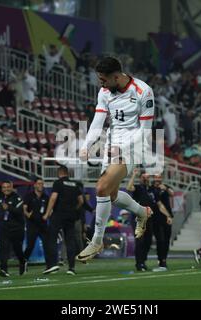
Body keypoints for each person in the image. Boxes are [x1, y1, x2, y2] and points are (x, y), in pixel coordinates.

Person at [77, 56, 154, 262]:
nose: (101, 84)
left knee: (101, 187)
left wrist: (123, 147)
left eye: (104, 80)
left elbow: (145, 131)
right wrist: (86, 146)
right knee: (109, 196)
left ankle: (96, 241)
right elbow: (97, 122)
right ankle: (142, 212)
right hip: (111, 147)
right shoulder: (105, 92)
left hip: (133, 148)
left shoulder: (143, 91)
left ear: (116, 76)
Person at [42, 166, 83, 275]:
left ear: (59, 173)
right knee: (70, 241)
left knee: (52, 238)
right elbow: (81, 201)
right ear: (67, 173)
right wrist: (74, 209)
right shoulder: (75, 184)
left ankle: (52, 264)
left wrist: (47, 213)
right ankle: (72, 268)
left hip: (58, 215)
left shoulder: (58, 183)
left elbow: (53, 198)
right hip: (71, 216)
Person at [0, 181, 26, 277]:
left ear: (12, 187)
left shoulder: (17, 198)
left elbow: (19, 211)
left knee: (17, 249)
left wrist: (8, 207)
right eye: (4, 187)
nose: (6, 189)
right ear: (1, 189)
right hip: (4, 227)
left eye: (8, 187)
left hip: (16, 228)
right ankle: (3, 269)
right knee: (4, 248)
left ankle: (22, 262)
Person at [127, 169, 155, 271]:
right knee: (140, 241)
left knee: (148, 241)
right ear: (140, 178)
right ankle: (139, 263)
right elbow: (129, 187)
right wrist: (134, 175)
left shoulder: (151, 189)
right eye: (144, 177)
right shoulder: (138, 188)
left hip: (149, 218)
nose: (146, 179)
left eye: (147, 177)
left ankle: (143, 260)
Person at [23, 178, 51, 269]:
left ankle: (49, 265)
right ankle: (23, 262)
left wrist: (47, 215)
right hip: (32, 224)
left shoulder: (46, 197)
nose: (40, 185)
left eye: (42, 184)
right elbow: (24, 208)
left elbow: (50, 209)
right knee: (30, 246)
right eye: (39, 184)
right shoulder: (29, 196)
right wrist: (28, 214)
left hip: (43, 224)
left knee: (47, 245)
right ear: (34, 185)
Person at [151, 174, 173, 271]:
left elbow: (172, 194)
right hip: (157, 217)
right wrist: (168, 215)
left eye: (159, 177)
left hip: (167, 217)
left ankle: (164, 259)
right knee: (160, 240)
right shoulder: (152, 189)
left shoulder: (165, 186)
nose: (157, 179)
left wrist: (166, 189)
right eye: (156, 177)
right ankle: (161, 261)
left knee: (167, 240)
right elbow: (159, 205)